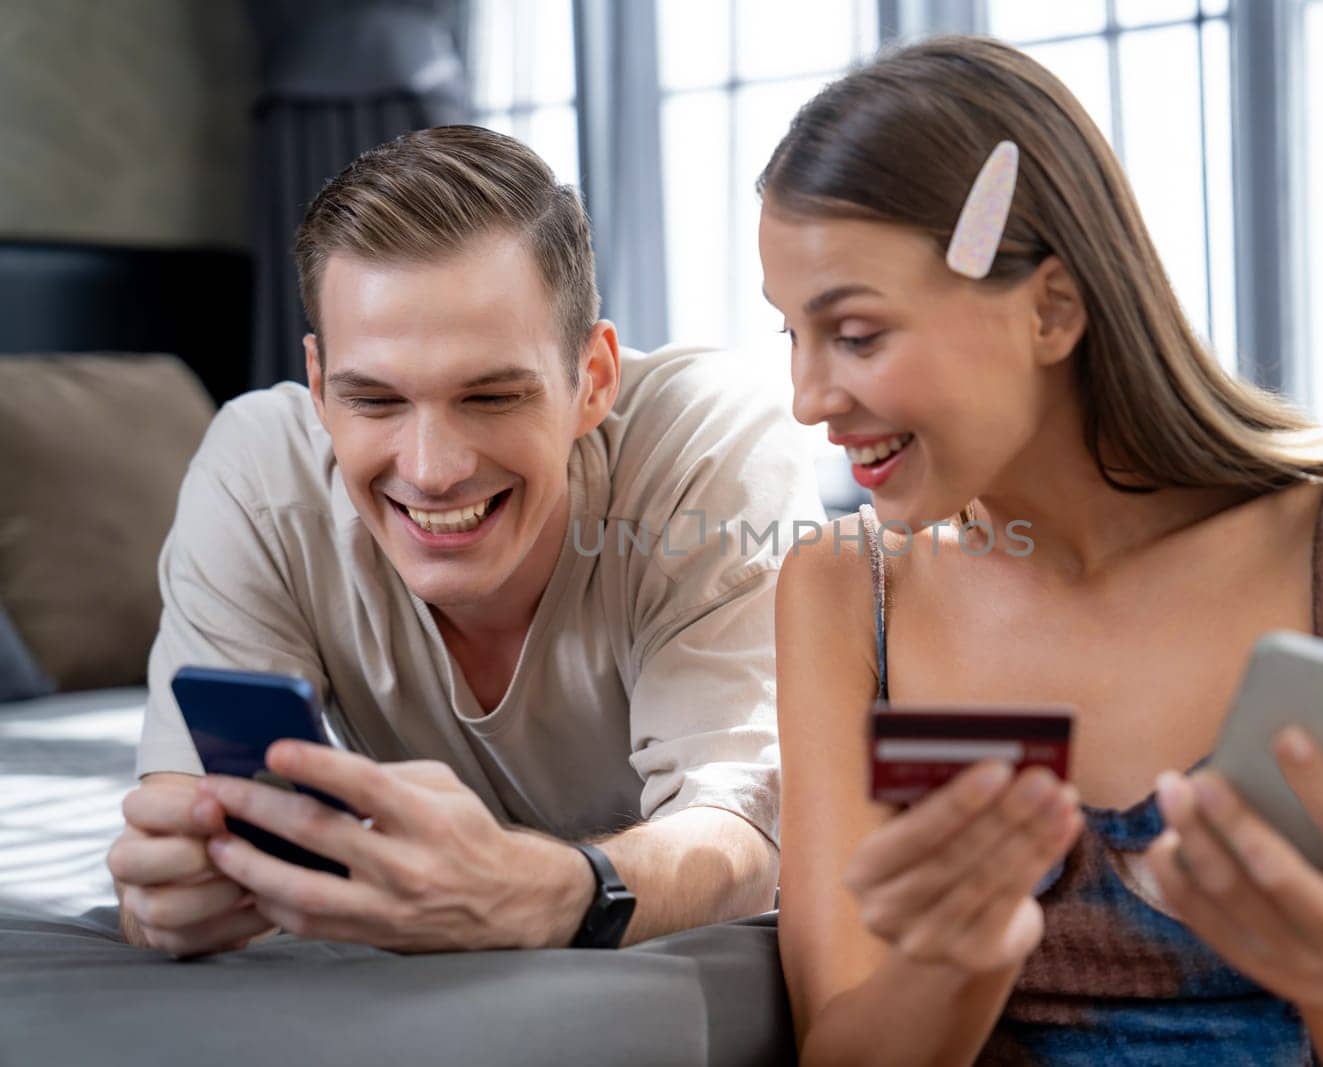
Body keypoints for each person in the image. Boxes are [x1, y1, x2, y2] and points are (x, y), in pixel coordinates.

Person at [762, 37, 1323, 1066]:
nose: (809, 398)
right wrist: (960, 959)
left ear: (1050, 309)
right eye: (789, 337)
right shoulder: (847, 588)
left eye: (854, 334)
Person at [108, 125, 824, 958]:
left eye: (490, 398)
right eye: (374, 401)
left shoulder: (707, 440)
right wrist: (175, 886)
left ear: (592, 379)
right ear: (317, 385)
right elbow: (186, 819)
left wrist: (552, 892)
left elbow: (743, 843)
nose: (432, 469)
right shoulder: (259, 474)